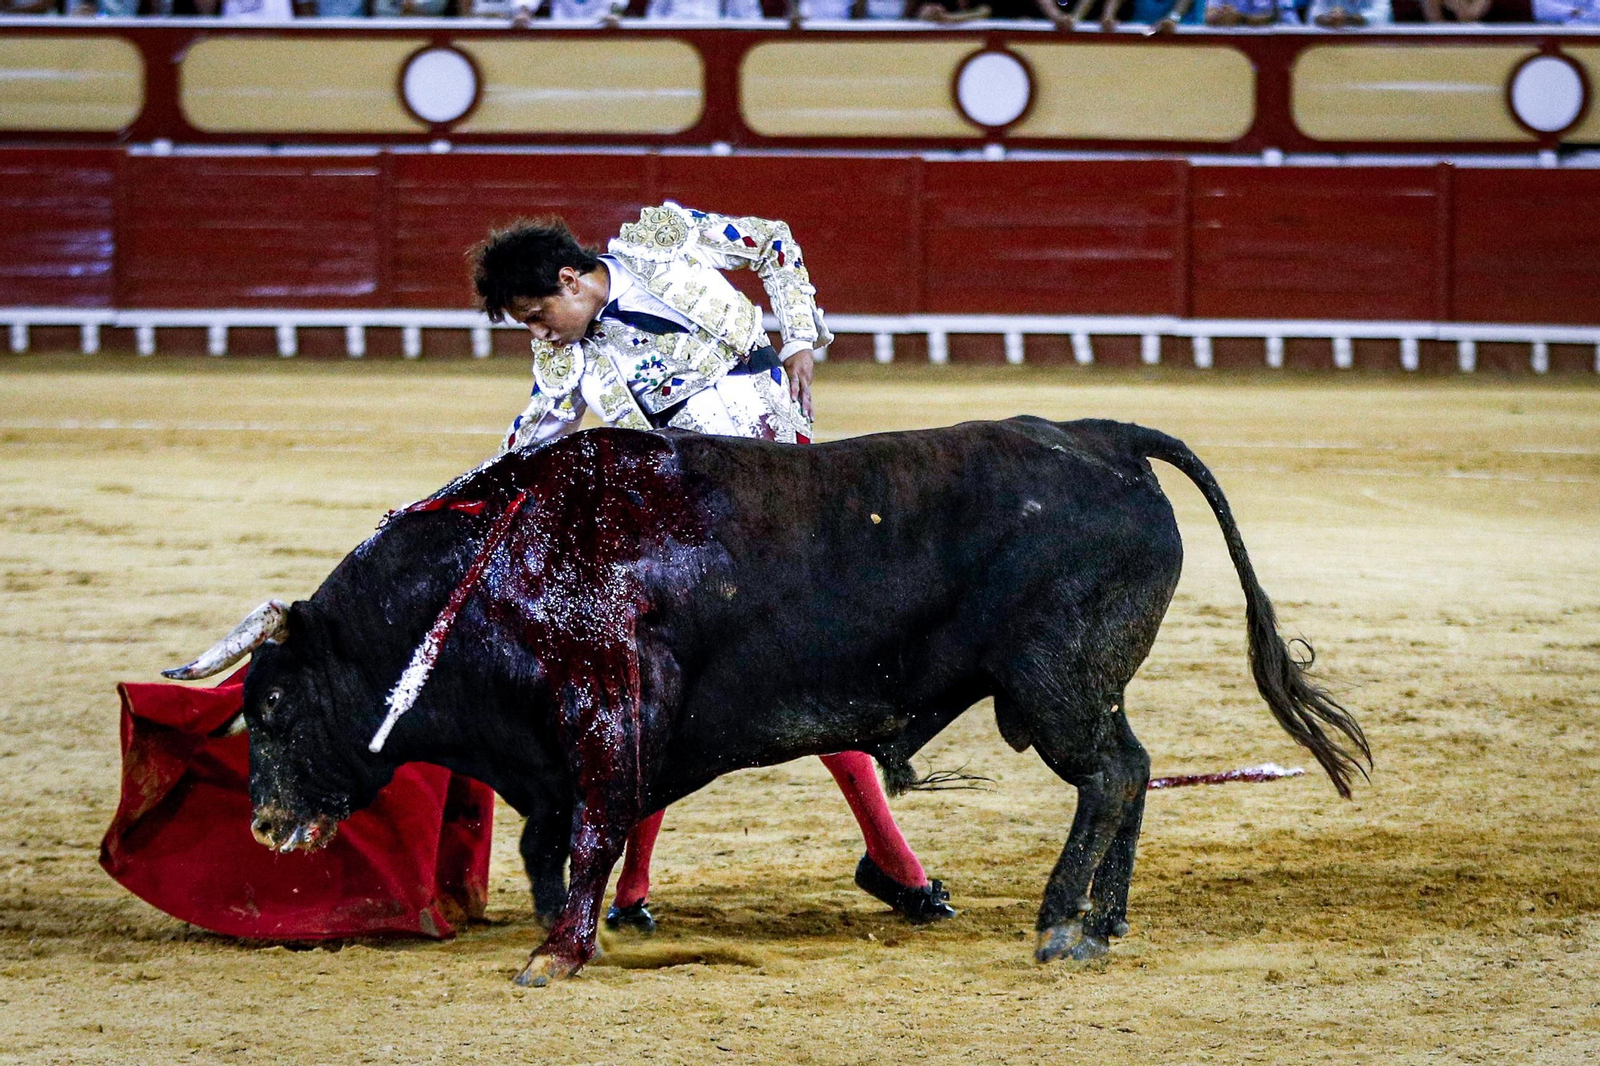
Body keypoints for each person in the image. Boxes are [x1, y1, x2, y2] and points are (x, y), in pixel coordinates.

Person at [471, 204, 956, 930]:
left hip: (791, 489)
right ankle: (887, 864)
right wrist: (461, 503)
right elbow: (530, 438)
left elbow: (774, 241)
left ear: (572, 280)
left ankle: (637, 888)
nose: (538, 334)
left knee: (769, 676)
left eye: (539, 314)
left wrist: (798, 339)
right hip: (702, 525)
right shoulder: (562, 358)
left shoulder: (663, 243)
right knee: (734, 681)